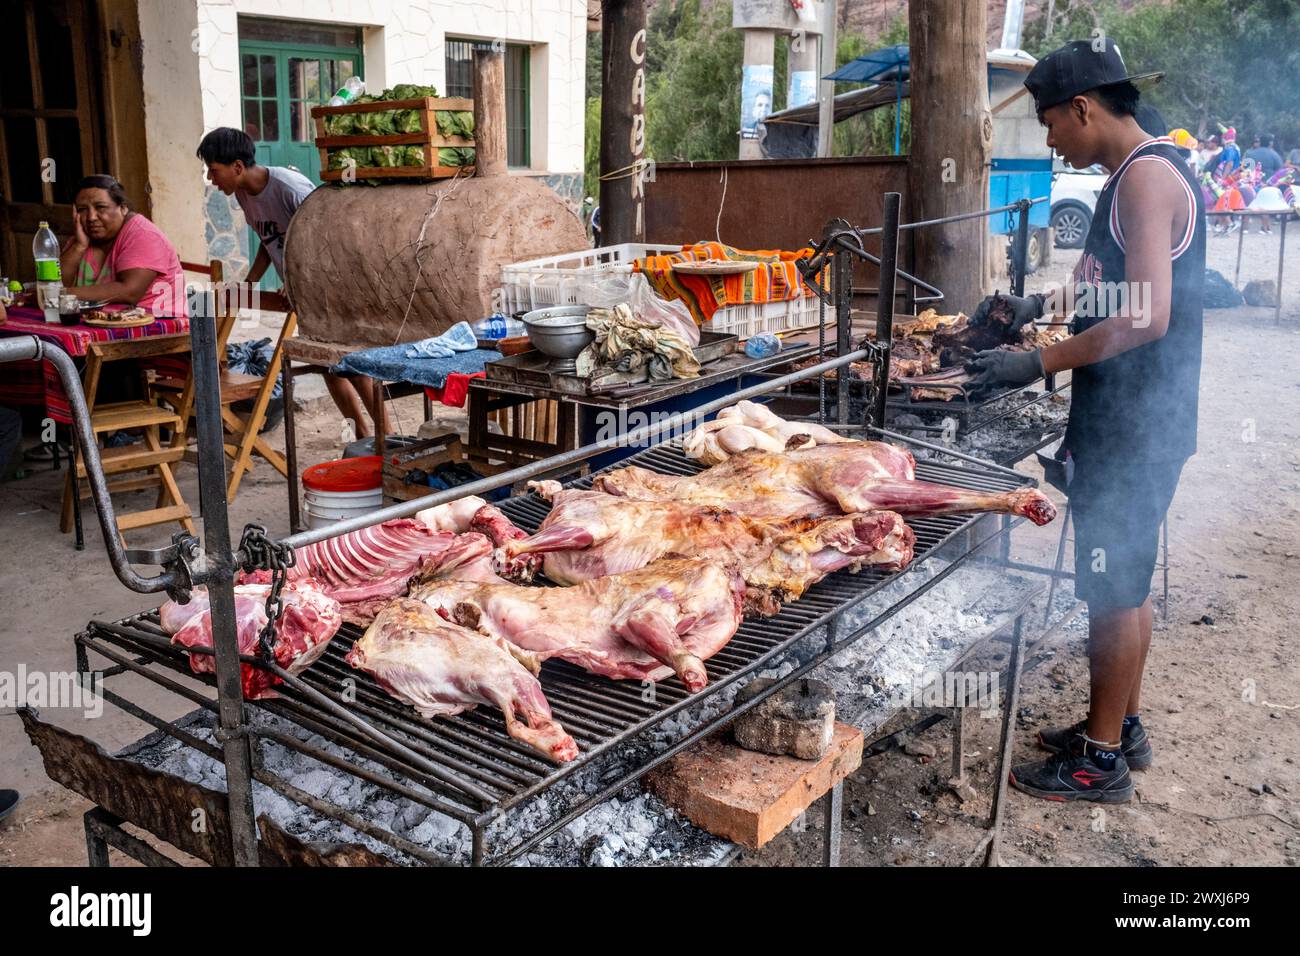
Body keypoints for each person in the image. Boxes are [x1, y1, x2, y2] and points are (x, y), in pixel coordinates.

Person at [968, 38, 1205, 804]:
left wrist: (1039, 363)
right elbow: (1102, 283)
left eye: (1048, 124)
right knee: (1126, 581)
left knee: (1112, 586)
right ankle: (1120, 725)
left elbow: (1144, 316)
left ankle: (1099, 761)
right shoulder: (1132, 172)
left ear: (1083, 108)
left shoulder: (1145, 181)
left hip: (1135, 422)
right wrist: (1040, 308)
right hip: (1132, 417)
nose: (1048, 140)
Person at [196, 127, 389, 439]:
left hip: (331, 287)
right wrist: (250, 282)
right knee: (327, 365)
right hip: (305, 295)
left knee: (351, 365)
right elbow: (267, 237)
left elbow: (326, 236)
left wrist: (299, 277)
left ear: (238, 167)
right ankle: (365, 438)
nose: (211, 179)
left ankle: (387, 438)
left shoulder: (289, 187)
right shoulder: (244, 195)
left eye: (214, 171)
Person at [60, 175, 187, 317]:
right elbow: (58, 283)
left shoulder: (143, 234)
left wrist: (59, 295)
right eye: (82, 209)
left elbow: (130, 292)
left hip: (159, 325)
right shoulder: (81, 238)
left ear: (123, 208)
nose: (91, 217)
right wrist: (79, 247)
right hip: (107, 322)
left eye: (100, 207)